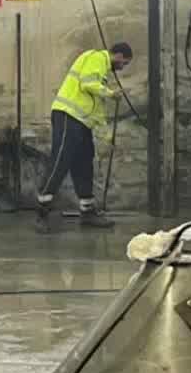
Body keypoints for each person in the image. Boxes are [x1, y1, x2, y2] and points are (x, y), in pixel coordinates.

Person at [35, 41, 134, 232]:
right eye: (125, 63)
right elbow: (88, 84)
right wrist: (111, 93)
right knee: (60, 162)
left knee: (84, 164)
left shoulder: (102, 73)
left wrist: (107, 138)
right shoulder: (96, 57)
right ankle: (42, 212)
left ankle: (87, 211)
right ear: (119, 55)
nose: (122, 68)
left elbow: (96, 110)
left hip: (81, 122)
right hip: (67, 116)